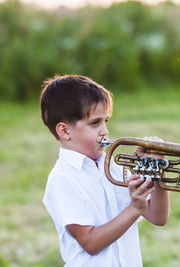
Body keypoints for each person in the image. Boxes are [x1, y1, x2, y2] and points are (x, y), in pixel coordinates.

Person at [40, 74, 170, 267]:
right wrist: (134, 208)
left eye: (105, 121)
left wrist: (157, 172)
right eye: (95, 123)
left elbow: (158, 218)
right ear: (65, 131)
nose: (104, 131)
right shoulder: (62, 178)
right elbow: (90, 243)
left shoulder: (113, 168)